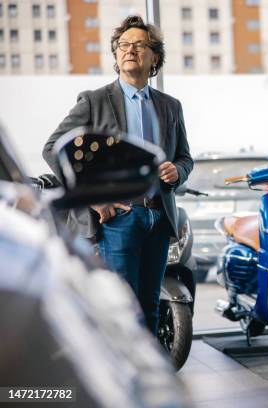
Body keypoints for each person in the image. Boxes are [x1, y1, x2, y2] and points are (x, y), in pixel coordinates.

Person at [42, 15, 193, 334]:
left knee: (150, 307)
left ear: (155, 57)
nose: (130, 50)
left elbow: (185, 158)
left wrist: (176, 171)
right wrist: (95, 198)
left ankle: (154, 380)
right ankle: (127, 380)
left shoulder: (170, 106)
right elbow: (54, 147)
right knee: (124, 311)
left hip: (160, 218)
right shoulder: (95, 101)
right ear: (115, 54)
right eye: (124, 45)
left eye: (139, 45)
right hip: (119, 220)